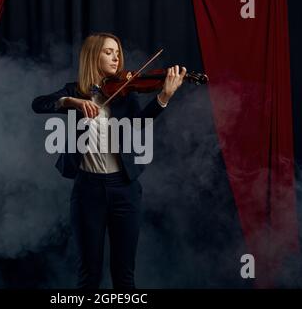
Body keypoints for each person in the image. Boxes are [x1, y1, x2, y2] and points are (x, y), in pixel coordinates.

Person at [32, 32, 186, 289]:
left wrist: (164, 97)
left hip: (124, 190)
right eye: (108, 52)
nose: (116, 58)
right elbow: (38, 104)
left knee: (124, 277)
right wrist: (71, 102)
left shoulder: (126, 91)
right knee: (88, 276)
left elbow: (139, 124)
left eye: (118, 53)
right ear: (93, 56)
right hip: (87, 190)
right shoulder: (75, 91)